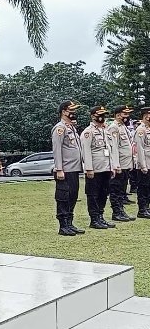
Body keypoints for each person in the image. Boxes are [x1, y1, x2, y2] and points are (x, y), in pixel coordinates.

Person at [80, 106, 116, 229]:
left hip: (106, 167)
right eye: (100, 115)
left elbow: (109, 149)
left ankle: (100, 216)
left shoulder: (105, 130)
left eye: (104, 115)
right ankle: (94, 219)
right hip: (95, 169)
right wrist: (89, 168)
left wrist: (112, 166)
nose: (102, 117)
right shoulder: (88, 132)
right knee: (93, 195)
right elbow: (86, 151)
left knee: (103, 193)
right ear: (93, 116)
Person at [51, 100, 84, 236]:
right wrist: (59, 169)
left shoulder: (71, 128)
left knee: (73, 196)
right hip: (65, 169)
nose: (74, 113)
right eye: (71, 110)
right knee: (63, 197)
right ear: (64, 112)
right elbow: (57, 149)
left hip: (74, 169)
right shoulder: (60, 128)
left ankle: (69, 223)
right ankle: (63, 225)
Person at [108, 105, 136, 221]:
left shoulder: (123, 127)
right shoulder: (114, 128)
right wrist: (116, 165)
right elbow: (113, 148)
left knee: (122, 189)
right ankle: (117, 212)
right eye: (125, 114)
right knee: (116, 189)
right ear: (118, 115)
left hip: (126, 163)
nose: (127, 116)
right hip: (119, 164)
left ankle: (121, 210)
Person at [133, 107, 150, 218]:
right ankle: (142, 209)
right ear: (146, 116)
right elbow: (139, 149)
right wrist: (143, 165)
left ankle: (147, 207)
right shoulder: (141, 130)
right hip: (145, 164)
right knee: (143, 187)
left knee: (148, 187)